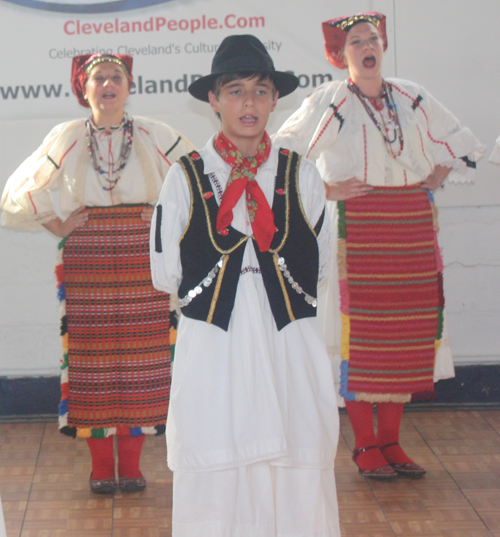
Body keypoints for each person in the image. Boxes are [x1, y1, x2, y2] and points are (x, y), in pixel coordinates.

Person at [274, 12, 485, 480]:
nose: (367, 47)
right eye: (356, 41)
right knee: (361, 338)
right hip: (358, 226)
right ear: (340, 53)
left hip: (409, 224)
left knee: (406, 335)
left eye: (373, 39)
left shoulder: (412, 95)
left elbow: (458, 142)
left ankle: (392, 440)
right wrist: (326, 190)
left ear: (382, 47)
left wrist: (436, 175)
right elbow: (282, 154)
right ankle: (366, 444)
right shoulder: (329, 101)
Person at [150, 34, 341, 536]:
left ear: (276, 99)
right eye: (235, 91)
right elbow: (164, 271)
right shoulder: (184, 178)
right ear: (213, 101)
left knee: (295, 460)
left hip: (288, 345)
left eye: (260, 90)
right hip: (217, 343)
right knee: (218, 457)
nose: (249, 103)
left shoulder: (302, 176)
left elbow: (319, 265)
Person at [1, 53, 193, 494]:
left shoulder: (154, 133)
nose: (108, 84)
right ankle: (101, 465)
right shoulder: (67, 136)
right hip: (86, 255)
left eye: (116, 77)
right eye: (98, 78)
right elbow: (17, 191)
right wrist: (56, 223)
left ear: (129, 86)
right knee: (92, 362)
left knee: (143, 360)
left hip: (142, 255)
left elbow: (199, 178)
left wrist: (162, 215)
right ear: (83, 89)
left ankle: (132, 463)